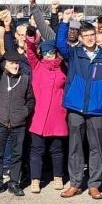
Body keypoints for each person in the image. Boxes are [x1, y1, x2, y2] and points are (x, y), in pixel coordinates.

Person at [56, 9, 102, 199]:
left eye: (92, 35)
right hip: (76, 108)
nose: (89, 38)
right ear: (80, 38)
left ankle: (94, 185)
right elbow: (59, 44)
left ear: (96, 36)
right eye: (86, 35)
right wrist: (65, 21)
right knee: (75, 147)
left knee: (96, 148)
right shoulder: (74, 54)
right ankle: (75, 183)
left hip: (97, 109)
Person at [0, 49, 35, 197]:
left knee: (17, 154)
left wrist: (24, 113)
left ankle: (14, 182)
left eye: (17, 63)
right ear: (5, 64)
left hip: (18, 123)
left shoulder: (25, 79)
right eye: (12, 63)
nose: (15, 66)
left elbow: (31, 100)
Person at [25, 34, 68, 193]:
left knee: (57, 149)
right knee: (37, 149)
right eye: (45, 53)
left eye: (51, 52)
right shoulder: (36, 65)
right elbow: (30, 51)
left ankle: (58, 176)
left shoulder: (64, 67)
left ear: (56, 52)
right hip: (40, 114)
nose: (48, 56)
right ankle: (35, 179)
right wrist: (31, 38)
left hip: (58, 114)